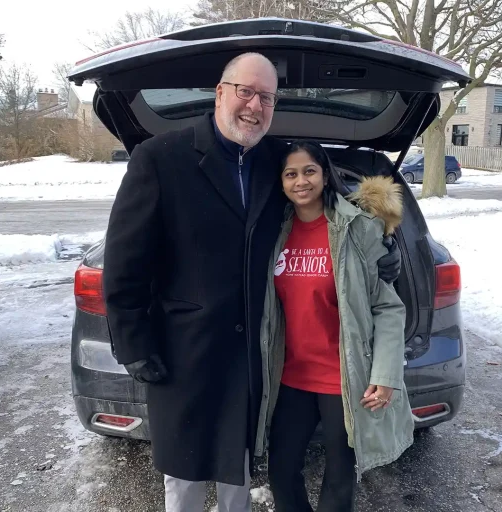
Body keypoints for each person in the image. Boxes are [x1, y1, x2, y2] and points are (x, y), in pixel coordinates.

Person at [102, 52, 402, 512]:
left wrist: (385, 248)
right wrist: (133, 343)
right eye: (246, 92)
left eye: (267, 97)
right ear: (220, 92)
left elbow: (334, 208)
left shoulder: (274, 161)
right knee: (183, 473)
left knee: (239, 468)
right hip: (186, 351)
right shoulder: (160, 158)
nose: (255, 106)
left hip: (258, 354)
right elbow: (125, 263)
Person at [254, 141, 415, 512]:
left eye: (309, 171)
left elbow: (387, 307)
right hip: (290, 374)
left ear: (324, 175)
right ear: (280, 182)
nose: (300, 181)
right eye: (290, 174)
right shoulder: (273, 231)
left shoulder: (356, 228)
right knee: (281, 470)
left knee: (340, 478)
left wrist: (386, 374)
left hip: (342, 376)